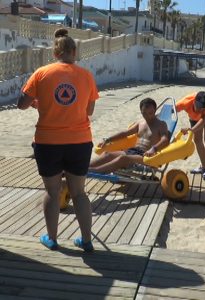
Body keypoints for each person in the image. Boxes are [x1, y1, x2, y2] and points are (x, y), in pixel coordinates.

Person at [17, 28, 99, 252]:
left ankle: (52, 239)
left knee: (53, 193)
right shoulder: (86, 75)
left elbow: (22, 104)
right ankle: (86, 240)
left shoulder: (41, 73)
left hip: (48, 142)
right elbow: (89, 110)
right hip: (80, 141)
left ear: (55, 53)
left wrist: (38, 101)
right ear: (74, 51)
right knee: (79, 193)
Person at [89, 98, 169, 173]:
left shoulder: (161, 124)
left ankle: (95, 171)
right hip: (133, 151)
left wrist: (153, 149)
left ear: (155, 110)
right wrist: (107, 140)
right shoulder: (140, 123)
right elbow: (125, 133)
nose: (148, 116)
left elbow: (165, 139)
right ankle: (85, 168)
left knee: (122, 159)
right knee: (107, 154)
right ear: (141, 112)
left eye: (150, 113)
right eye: (144, 113)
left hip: (147, 157)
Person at [175, 91, 205, 181]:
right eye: (198, 107)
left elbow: (203, 121)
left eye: (202, 108)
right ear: (194, 101)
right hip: (193, 115)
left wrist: (191, 130)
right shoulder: (185, 102)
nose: (200, 110)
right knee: (197, 140)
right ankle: (203, 167)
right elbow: (171, 110)